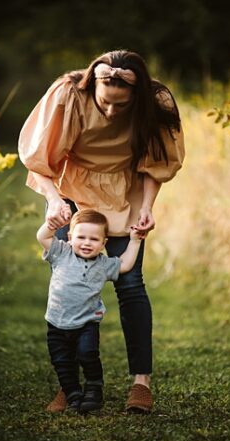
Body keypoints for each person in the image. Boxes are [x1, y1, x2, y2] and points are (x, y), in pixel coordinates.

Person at [19, 50, 185, 414]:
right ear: (94, 85)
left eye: (121, 107)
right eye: (105, 103)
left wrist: (146, 207)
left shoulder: (155, 101)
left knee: (130, 284)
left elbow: (155, 165)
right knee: (69, 283)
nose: (111, 112)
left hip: (125, 195)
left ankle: (141, 384)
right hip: (74, 194)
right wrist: (52, 201)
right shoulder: (68, 93)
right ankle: (70, 385)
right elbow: (38, 158)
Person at [37, 210, 145, 413]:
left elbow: (125, 264)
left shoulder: (103, 264)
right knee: (62, 362)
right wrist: (51, 224)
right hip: (57, 322)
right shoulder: (61, 252)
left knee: (88, 354)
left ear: (103, 243)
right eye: (81, 237)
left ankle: (94, 388)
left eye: (94, 239)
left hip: (87, 323)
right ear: (70, 238)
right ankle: (73, 394)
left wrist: (135, 241)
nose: (87, 243)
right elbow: (42, 236)